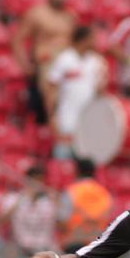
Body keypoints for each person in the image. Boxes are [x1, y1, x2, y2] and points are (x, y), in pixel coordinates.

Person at [13, 0, 77, 124]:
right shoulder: (37, 14)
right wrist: (26, 66)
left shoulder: (70, 17)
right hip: (46, 62)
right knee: (51, 100)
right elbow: (17, 40)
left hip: (66, 65)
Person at [46, 25, 107, 160]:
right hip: (66, 119)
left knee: (85, 159)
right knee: (63, 158)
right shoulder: (65, 58)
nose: (95, 42)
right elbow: (51, 88)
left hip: (87, 121)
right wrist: (52, 115)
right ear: (84, 39)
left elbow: (100, 91)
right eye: (92, 38)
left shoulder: (96, 61)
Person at [0, 165, 57, 258]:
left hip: (44, 247)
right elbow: (0, 220)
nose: (37, 184)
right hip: (19, 247)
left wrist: (56, 202)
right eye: (34, 180)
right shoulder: (14, 197)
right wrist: (22, 198)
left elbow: (62, 224)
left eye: (40, 180)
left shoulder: (50, 201)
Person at [57, 158, 113, 251]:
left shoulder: (71, 192)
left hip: (73, 246)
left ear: (77, 171)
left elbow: (62, 221)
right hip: (96, 246)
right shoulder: (105, 193)